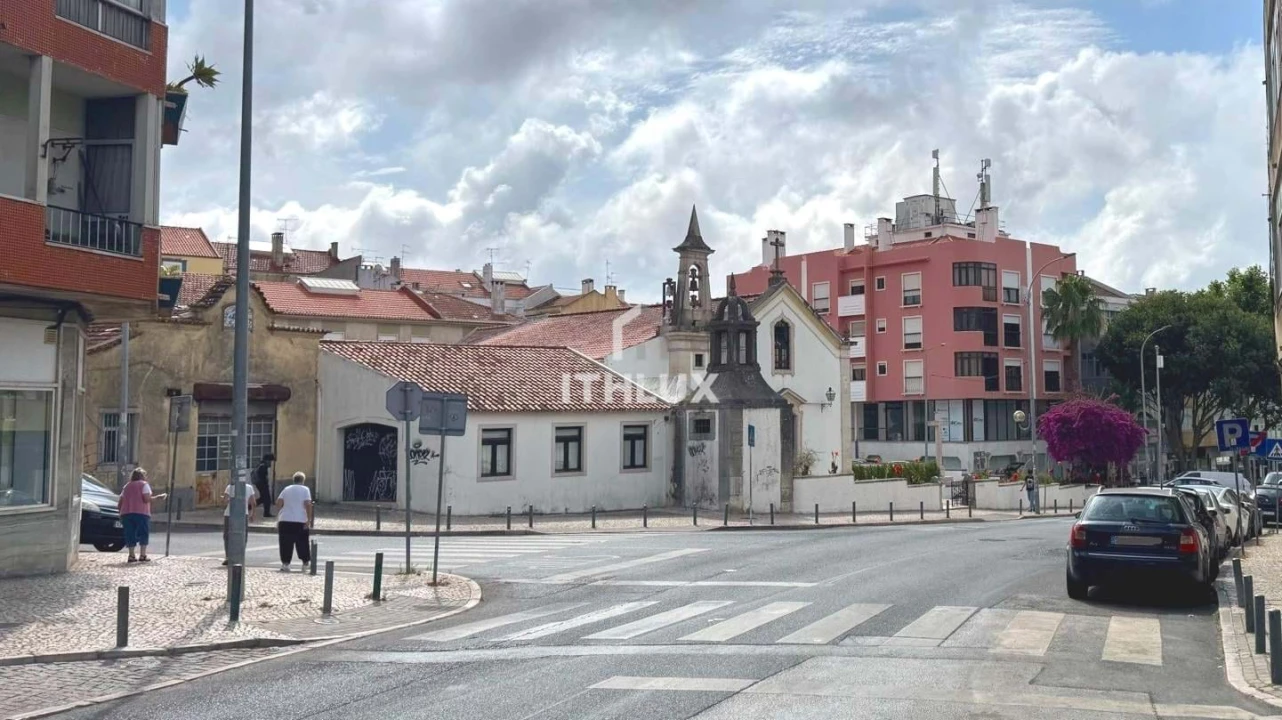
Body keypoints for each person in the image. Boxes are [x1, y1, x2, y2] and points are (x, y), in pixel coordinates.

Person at [118, 468, 166, 563]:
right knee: (143, 533)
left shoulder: (126, 486)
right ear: (142, 476)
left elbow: (120, 501)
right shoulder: (144, 485)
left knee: (130, 534)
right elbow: (146, 499)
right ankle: (142, 555)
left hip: (126, 513)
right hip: (141, 513)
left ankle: (131, 555)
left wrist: (120, 512)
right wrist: (158, 497)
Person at [275, 472, 313, 572]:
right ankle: (305, 563)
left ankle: (286, 564)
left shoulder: (286, 489)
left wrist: (281, 512)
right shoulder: (305, 489)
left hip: (285, 519)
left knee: (285, 543)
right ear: (303, 481)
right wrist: (308, 520)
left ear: (293, 480)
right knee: (302, 543)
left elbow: (278, 502)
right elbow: (308, 504)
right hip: (300, 520)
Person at [221, 479, 258, 566]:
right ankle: (240, 556)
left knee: (228, 536)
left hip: (229, 514)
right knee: (242, 535)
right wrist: (252, 514)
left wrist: (229, 500)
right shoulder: (249, 488)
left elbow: (224, 501)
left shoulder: (230, 487)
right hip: (243, 514)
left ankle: (228, 557)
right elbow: (253, 502)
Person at [254, 453, 276, 518]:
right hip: (262, 485)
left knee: (262, 499)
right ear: (267, 460)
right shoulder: (263, 466)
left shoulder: (261, 465)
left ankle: (248, 507)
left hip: (260, 484)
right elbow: (263, 477)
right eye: (270, 461)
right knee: (267, 499)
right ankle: (266, 513)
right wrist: (266, 482)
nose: (270, 463)